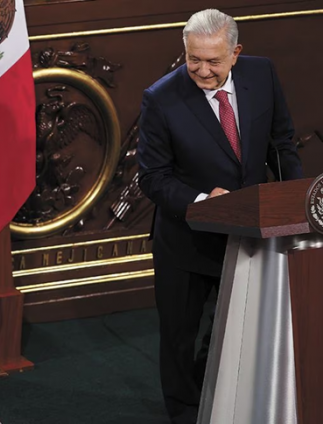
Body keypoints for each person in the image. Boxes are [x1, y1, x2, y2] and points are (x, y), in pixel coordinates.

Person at [136, 8, 303, 424]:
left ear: (235, 53)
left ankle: (215, 399)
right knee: (180, 337)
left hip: (251, 232)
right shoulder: (161, 98)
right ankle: (183, 413)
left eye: (213, 61)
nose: (202, 70)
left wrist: (291, 200)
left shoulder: (262, 74)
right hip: (186, 240)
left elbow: (281, 142)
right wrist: (202, 200)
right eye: (193, 59)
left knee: (234, 327)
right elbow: (153, 178)